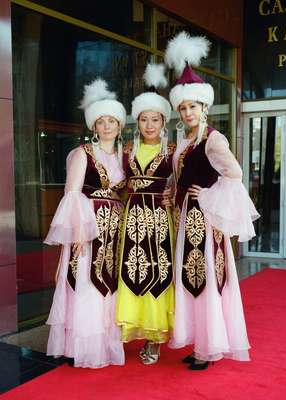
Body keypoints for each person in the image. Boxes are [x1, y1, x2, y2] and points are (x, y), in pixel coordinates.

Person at [164, 31, 260, 370]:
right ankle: (201, 343)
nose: (188, 112)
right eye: (184, 107)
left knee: (205, 278)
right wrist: (170, 192)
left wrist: (207, 195)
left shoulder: (213, 139)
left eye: (193, 106)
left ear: (205, 106)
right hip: (185, 222)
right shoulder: (185, 140)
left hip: (204, 223)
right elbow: (180, 177)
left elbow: (235, 175)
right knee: (191, 281)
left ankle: (209, 348)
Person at [44, 79, 127, 368]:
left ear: (119, 125)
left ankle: (105, 344)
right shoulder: (82, 154)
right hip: (88, 229)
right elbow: (73, 194)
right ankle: (80, 348)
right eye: (101, 121)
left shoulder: (123, 157)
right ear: (94, 126)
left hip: (114, 232)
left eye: (112, 121)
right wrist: (78, 232)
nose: (106, 126)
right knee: (85, 283)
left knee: (107, 284)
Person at [116, 63, 175, 365]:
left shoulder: (173, 150)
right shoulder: (126, 150)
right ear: (136, 122)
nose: (149, 124)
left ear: (164, 121)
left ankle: (155, 339)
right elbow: (117, 185)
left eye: (155, 119)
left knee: (158, 271)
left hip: (161, 221)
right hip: (132, 218)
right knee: (131, 271)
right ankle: (130, 332)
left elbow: (183, 181)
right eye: (143, 119)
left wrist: (174, 194)